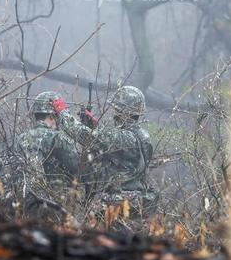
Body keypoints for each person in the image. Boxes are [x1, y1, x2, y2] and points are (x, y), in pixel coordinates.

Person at [51, 85, 156, 215]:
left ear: (123, 112)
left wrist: (63, 114)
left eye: (116, 109)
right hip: (134, 206)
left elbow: (88, 138)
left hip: (118, 208)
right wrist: (94, 125)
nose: (114, 113)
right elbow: (113, 144)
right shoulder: (141, 135)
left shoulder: (125, 138)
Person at [0, 91, 79, 215]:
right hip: (51, 206)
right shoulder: (57, 138)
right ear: (51, 116)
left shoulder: (20, 138)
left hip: (21, 205)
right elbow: (77, 167)